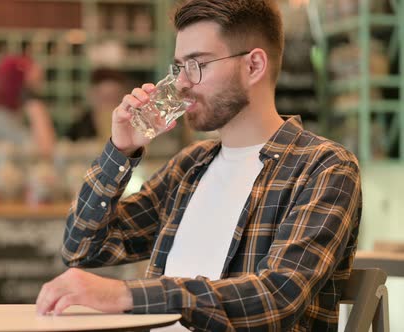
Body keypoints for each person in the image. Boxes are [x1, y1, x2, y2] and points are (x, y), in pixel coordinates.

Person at [35, 0, 362, 331]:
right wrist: (120, 150)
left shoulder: (322, 167)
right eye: (178, 67)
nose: (181, 84)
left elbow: (276, 298)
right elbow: (81, 249)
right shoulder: (191, 166)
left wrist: (125, 295)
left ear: (254, 66)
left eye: (197, 65)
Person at [0, 54, 55, 159]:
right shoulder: (2, 118)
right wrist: (35, 106)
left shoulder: (13, 115)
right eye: (33, 84)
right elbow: (44, 150)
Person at [65, 68, 129, 142]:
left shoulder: (131, 125)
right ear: (91, 95)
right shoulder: (81, 127)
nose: (108, 104)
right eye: (104, 98)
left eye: (114, 97)